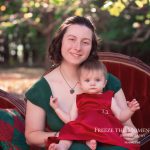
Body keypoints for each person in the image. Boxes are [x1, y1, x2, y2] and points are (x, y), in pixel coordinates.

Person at [25, 16, 139, 150]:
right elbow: (31, 136)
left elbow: (128, 125)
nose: (77, 47)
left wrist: (132, 133)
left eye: (85, 42)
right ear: (60, 41)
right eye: (72, 39)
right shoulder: (41, 89)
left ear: (91, 47)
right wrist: (69, 135)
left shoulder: (108, 81)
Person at [48, 59, 140, 150]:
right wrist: (57, 109)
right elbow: (71, 120)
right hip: (84, 127)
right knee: (69, 130)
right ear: (80, 84)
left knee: (122, 136)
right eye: (87, 80)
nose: (92, 83)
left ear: (104, 83)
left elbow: (120, 116)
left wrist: (130, 110)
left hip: (104, 128)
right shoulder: (79, 99)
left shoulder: (109, 98)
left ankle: (91, 140)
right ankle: (62, 147)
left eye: (97, 80)